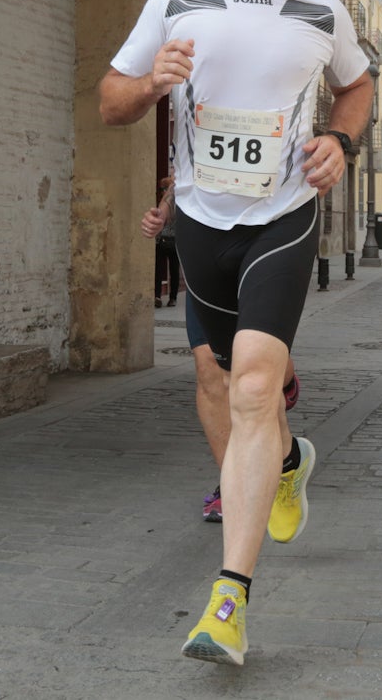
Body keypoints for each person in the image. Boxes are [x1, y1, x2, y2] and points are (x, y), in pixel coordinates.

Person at [100, 0, 374, 666]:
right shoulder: (175, 2)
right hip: (201, 226)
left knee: (256, 386)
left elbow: (357, 86)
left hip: (282, 218)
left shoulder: (322, 10)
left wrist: (342, 142)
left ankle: (228, 603)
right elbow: (109, 100)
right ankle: (289, 461)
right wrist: (153, 81)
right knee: (219, 377)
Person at [140, 187, 301, 524]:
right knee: (210, 369)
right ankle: (235, 486)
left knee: (256, 370)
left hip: (268, 238)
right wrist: (165, 210)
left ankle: (283, 383)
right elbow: (189, 171)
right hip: (205, 245)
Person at [153, 176, 182, 307]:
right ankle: (164, 297)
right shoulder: (166, 203)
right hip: (168, 242)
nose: (162, 191)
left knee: (168, 270)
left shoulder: (171, 203)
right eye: (161, 189)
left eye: (163, 188)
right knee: (164, 270)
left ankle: (167, 296)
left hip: (170, 241)